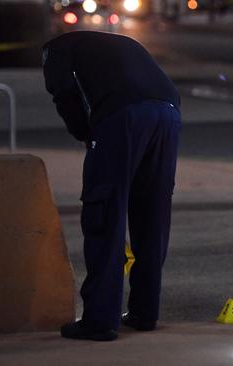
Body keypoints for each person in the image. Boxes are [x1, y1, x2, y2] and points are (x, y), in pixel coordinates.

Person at [42, 31, 181, 341]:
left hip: (122, 116)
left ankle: (100, 320)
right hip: (169, 112)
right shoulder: (122, 43)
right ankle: (145, 313)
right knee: (152, 215)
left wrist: (84, 132)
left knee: (105, 212)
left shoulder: (56, 48)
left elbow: (64, 92)